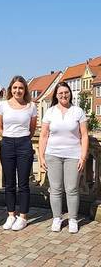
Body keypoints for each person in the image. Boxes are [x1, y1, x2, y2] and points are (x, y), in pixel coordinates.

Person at [39, 82, 88, 233]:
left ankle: (73, 219)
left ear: (70, 94)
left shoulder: (78, 111)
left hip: (73, 155)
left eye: (66, 92)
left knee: (72, 188)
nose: (63, 95)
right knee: (55, 189)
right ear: (56, 95)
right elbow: (43, 135)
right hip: (53, 154)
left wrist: (83, 157)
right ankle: (57, 218)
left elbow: (84, 135)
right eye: (60, 93)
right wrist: (41, 157)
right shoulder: (50, 112)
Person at [0, 75, 37, 231]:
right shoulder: (3, 105)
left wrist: (23, 139)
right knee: (9, 183)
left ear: (24, 89)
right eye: (15, 88)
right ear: (10, 89)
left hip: (24, 144)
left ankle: (23, 217)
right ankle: (11, 215)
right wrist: (6, 136)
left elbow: (32, 128)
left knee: (24, 184)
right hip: (7, 144)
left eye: (20, 88)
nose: (17, 90)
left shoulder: (31, 106)